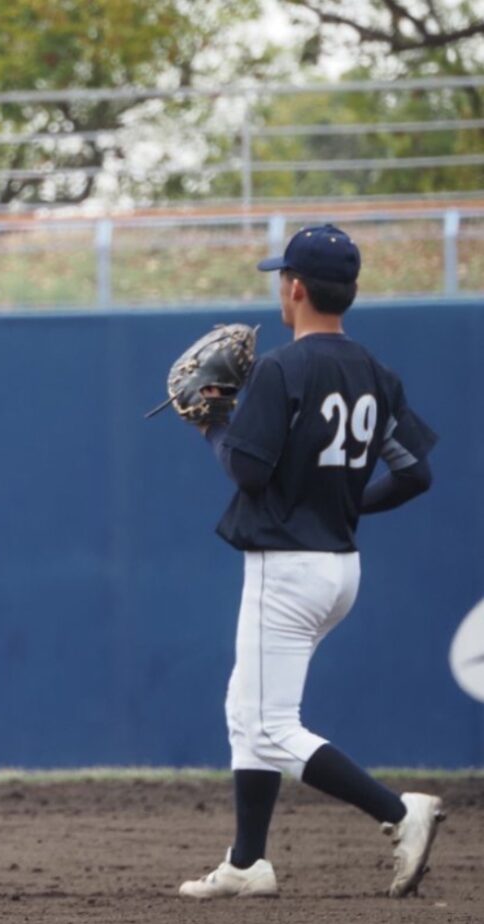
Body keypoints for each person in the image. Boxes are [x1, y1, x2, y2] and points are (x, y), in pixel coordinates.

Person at [179, 224, 445, 900]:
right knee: (248, 708)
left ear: (295, 288)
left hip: (287, 568)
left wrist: (212, 421)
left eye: (281, 278)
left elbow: (246, 469)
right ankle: (247, 862)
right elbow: (415, 473)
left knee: (268, 724)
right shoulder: (374, 373)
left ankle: (397, 811)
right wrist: (348, 505)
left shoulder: (282, 368)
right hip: (338, 567)